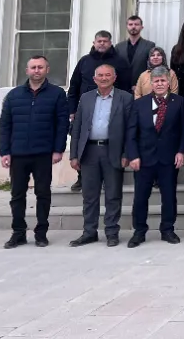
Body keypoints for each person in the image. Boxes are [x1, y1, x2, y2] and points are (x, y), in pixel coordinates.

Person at [0, 55, 69, 249]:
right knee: (17, 195)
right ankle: (18, 233)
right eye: (33, 67)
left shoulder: (57, 94)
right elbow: (5, 125)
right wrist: (5, 151)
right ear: (27, 70)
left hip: (43, 153)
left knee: (43, 194)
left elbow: (62, 124)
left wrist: (58, 149)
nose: (37, 70)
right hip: (18, 153)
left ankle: (41, 233)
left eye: (40, 67)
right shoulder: (14, 95)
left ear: (47, 70)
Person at [68, 64, 133, 247]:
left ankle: (112, 232)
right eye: (100, 75)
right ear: (94, 79)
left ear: (114, 78)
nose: (104, 78)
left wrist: (126, 153)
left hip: (113, 151)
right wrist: (74, 155)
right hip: (89, 152)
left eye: (108, 75)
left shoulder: (125, 98)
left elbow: (130, 129)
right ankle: (89, 232)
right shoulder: (86, 98)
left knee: (113, 194)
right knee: (89, 195)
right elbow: (77, 128)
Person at [125, 66, 184, 247]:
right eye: (156, 81)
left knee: (169, 197)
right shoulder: (139, 104)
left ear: (168, 83)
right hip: (144, 159)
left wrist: (181, 151)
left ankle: (168, 230)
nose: (159, 84)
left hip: (168, 158)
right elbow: (131, 132)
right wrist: (133, 155)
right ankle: (139, 231)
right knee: (140, 197)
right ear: (151, 84)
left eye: (163, 81)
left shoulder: (179, 102)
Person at [68, 31, 131, 192]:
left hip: (113, 108)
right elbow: (74, 86)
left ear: (110, 43)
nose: (102, 43)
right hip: (86, 110)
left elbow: (126, 86)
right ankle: (81, 177)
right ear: (94, 43)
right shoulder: (84, 61)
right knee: (84, 143)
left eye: (105, 41)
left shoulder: (120, 62)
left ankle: (110, 179)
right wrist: (72, 110)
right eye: (99, 41)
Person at [116, 15, 156, 89]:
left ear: (142, 27)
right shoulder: (119, 47)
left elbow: (152, 67)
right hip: (121, 87)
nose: (133, 27)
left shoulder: (150, 45)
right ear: (127, 27)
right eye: (130, 24)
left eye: (136, 24)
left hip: (142, 87)